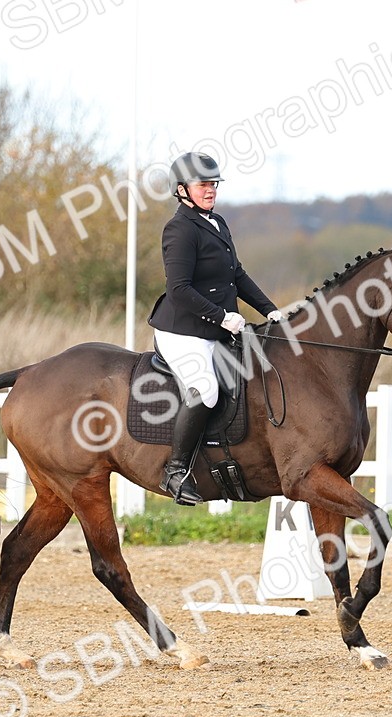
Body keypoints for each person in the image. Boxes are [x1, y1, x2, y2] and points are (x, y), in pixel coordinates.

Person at [147, 152, 283, 505]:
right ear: (181, 190)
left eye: (213, 185)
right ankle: (176, 472)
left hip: (217, 327)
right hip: (183, 331)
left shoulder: (217, 222)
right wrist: (222, 317)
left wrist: (270, 311)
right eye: (203, 185)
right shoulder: (178, 229)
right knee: (205, 389)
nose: (210, 191)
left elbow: (236, 275)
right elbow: (179, 289)